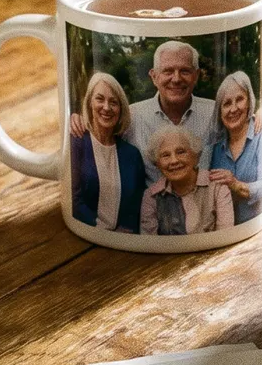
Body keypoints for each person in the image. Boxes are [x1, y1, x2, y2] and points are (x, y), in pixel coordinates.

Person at [71, 41, 218, 188]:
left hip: (203, 208)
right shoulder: (130, 116)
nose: (176, 79)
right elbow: (101, 139)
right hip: (148, 209)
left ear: (196, 76)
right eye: (168, 71)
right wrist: (83, 122)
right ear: (154, 76)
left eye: (185, 71)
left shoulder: (215, 113)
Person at [70, 72, 147, 232]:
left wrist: (125, 231)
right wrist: (100, 231)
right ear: (90, 102)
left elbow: (136, 205)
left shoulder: (132, 155)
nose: (106, 107)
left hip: (124, 242)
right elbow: (74, 199)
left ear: (121, 109)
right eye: (100, 99)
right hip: (86, 235)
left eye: (114, 102)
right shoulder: (77, 143)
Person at [139, 126, 233, 235]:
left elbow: (225, 235)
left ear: (195, 156)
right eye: (165, 155)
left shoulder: (217, 187)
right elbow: (150, 245)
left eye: (180, 152)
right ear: (157, 164)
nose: (174, 160)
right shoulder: (151, 196)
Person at [208, 70, 262, 225]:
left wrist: (236, 184)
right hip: (222, 233)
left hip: (255, 230)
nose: (233, 109)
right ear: (219, 112)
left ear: (249, 101)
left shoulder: (261, 134)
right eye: (226, 104)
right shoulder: (215, 147)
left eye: (239, 99)